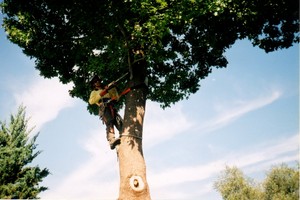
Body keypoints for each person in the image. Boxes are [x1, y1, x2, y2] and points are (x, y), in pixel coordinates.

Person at [88, 75, 122, 150]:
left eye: (97, 80)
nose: (97, 82)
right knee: (109, 122)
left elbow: (116, 98)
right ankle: (112, 140)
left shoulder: (106, 88)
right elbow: (91, 101)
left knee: (118, 121)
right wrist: (103, 93)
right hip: (104, 107)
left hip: (112, 106)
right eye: (95, 81)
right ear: (93, 84)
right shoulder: (94, 92)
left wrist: (113, 88)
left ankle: (124, 134)